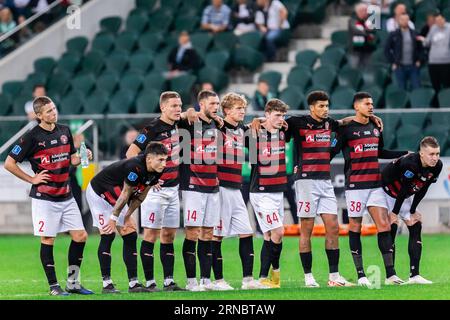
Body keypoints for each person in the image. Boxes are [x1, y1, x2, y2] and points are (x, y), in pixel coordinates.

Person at [4, 96, 93, 296]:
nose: (54, 113)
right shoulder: (31, 137)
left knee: (80, 236)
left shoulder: (64, 131)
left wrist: (82, 158)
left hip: (67, 195)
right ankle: (54, 286)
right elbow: (9, 163)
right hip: (45, 198)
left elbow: (71, 159)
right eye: (49, 111)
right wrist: (31, 179)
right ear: (39, 115)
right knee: (48, 239)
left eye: (54, 109)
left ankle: (73, 282)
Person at [332, 92, 408, 287]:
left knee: (384, 225)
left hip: (375, 184)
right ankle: (360, 274)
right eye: (367, 103)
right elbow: (331, 152)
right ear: (357, 106)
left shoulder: (376, 126)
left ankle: (391, 275)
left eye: (372, 103)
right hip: (355, 186)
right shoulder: (346, 130)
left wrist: (405, 154)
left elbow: (380, 152)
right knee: (355, 226)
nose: (371, 106)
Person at [125, 91, 189, 292]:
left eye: (179, 105)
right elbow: (131, 153)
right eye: (173, 106)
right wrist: (147, 179)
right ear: (163, 108)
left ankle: (169, 281)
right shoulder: (152, 128)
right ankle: (151, 281)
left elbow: (193, 114)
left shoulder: (180, 124)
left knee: (169, 235)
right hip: (155, 191)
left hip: (173, 188)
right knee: (150, 234)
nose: (178, 109)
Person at [86, 142, 168, 294]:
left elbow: (141, 196)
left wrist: (128, 215)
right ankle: (107, 284)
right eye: (160, 160)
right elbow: (125, 194)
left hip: (116, 195)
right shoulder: (135, 167)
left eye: (165, 160)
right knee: (108, 234)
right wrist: (113, 218)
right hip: (98, 192)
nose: (164, 164)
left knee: (130, 233)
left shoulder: (157, 170)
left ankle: (134, 284)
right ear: (149, 159)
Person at [211, 92, 268, 290]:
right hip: (219, 189)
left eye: (243, 108)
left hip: (236, 187)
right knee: (216, 235)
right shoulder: (216, 127)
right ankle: (217, 281)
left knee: (246, 232)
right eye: (238, 108)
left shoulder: (242, 131)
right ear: (226, 110)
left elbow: (255, 140)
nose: (242, 111)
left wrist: (260, 121)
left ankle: (248, 280)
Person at [382, 136, 442, 285]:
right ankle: (391, 276)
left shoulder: (437, 166)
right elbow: (402, 190)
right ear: (422, 153)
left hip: (404, 194)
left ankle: (414, 275)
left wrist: (413, 210)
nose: (435, 158)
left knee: (416, 224)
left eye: (437, 154)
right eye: (431, 154)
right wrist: (394, 213)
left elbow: (423, 187)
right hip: (386, 192)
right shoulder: (411, 163)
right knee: (392, 227)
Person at [178, 90, 222, 291]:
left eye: (217, 104)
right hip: (192, 185)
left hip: (212, 185)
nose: (216, 107)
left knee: (208, 232)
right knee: (193, 231)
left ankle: (206, 279)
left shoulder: (215, 123)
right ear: (201, 104)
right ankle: (191, 281)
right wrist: (187, 112)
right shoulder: (189, 122)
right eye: (212, 103)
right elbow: (175, 118)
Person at [249, 98, 289, 288]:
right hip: (261, 192)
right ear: (267, 114)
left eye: (283, 115)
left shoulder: (283, 131)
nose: (281, 119)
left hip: (278, 191)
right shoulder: (255, 131)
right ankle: (271, 274)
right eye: (277, 115)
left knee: (270, 235)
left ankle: (266, 278)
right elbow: (235, 128)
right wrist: (255, 121)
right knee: (278, 231)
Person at [384, 14, 423, 91]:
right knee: (401, 90)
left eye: (406, 19)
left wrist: (419, 60)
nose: (405, 21)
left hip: (413, 66)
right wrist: (393, 62)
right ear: (399, 21)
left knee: (417, 88)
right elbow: (386, 49)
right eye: (402, 20)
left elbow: (421, 48)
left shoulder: (415, 33)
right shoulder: (393, 34)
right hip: (399, 67)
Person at [419, 13, 450, 94]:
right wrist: (423, 40)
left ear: (444, 19)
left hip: (446, 62)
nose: (438, 22)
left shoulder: (449, 28)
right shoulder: (433, 28)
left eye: (440, 20)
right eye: (437, 21)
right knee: (435, 85)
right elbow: (427, 42)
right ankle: (437, 104)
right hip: (433, 62)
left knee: (447, 85)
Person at [348, 2, 377, 69]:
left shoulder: (369, 20)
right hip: (355, 50)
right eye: (363, 10)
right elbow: (358, 31)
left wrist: (367, 31)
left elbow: (373, 30)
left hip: (367, 49)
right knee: (355, 70)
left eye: (366, 10)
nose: (366, 12)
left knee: (366, 69)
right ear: (358, 11)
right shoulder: (352, 21)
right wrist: (367, 31)